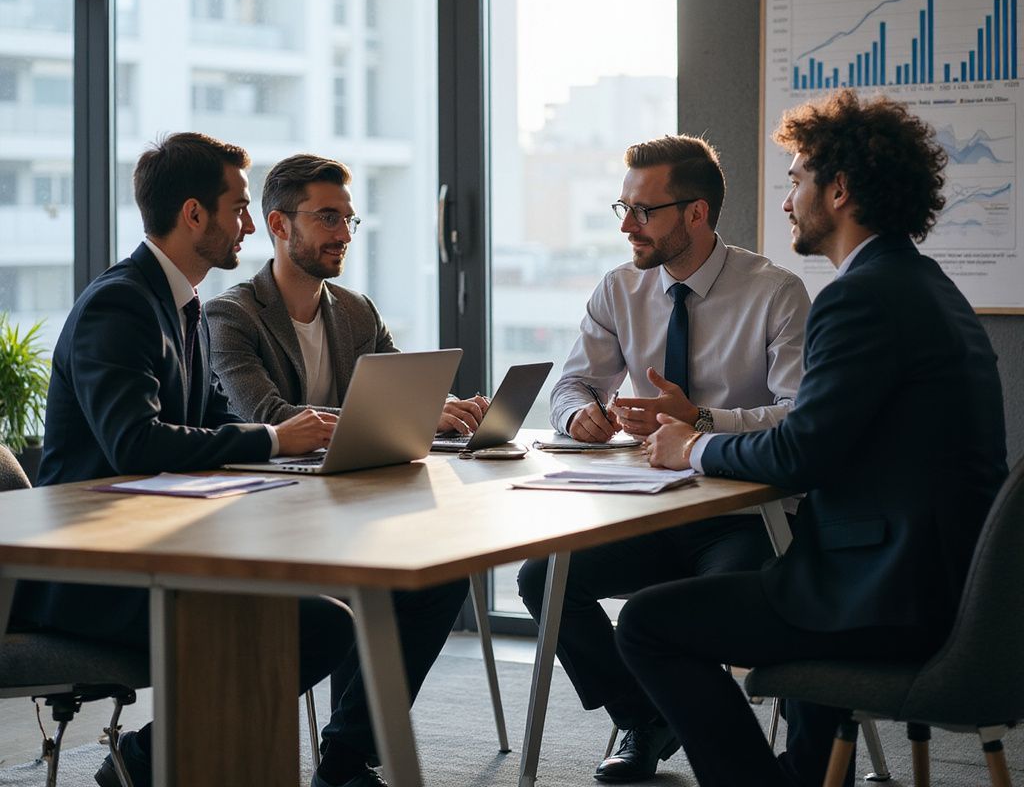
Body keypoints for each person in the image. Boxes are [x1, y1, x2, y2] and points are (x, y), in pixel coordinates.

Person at [14, 133, 467, 787]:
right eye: (240, 208)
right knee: (315, 623)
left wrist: (318, 435)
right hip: (86, 566)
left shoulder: (183, 302)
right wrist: (277, 440)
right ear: (195, 214)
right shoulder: (120, 304)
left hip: (156, 542)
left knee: (393, 590)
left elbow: (210, 421)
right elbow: (136, 442)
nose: (251, 225)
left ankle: (319, 761)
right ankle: (142, 760)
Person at [616, 90, 1008, 787]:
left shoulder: (861, 298)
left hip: (885, 595)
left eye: (796, 180)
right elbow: (820, 436)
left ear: (840, 188)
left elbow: (800, 453)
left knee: (648, 624)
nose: (789, 200)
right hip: (942, 584)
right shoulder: (923, 285)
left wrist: (691, 445)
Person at [518, 133, 811, 782]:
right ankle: (641, 716)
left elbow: (799, 415)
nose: (626, 225)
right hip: (650, 511)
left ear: (697, 213)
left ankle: (743, 750)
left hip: (747, 516)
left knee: (688, 616)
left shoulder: (776, 292)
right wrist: (579, 416)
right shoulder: (619, 289)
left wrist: (701, 421)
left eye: (643, 211)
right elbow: (571, 385)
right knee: (541, 579)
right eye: (621, 208)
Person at [206, 153, 488, 435]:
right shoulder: (230, 317)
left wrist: (454, 408)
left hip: (353, 472)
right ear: (279, 225)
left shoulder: (359, 310)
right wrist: (415, 415)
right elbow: (269, 416)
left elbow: (405, 389)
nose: (345, 235)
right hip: (274, 478)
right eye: (328, 218)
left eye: (349, 219)